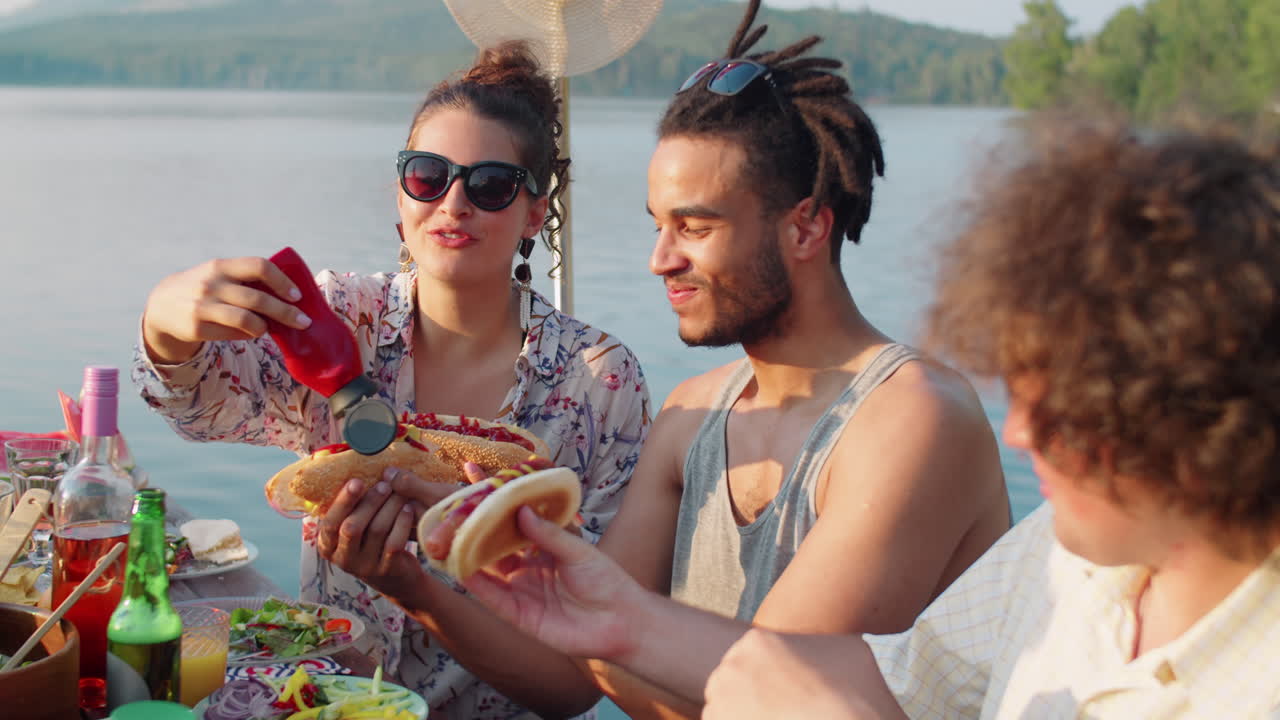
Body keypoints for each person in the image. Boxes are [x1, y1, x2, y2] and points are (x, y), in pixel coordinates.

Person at [388, 1, 1008, 717]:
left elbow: (765, 697)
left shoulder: (910, 421)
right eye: (659, 225)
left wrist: (606, 632)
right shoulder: (691, 416)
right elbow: (578, 672)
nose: (660, 259)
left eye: (696, 226)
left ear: (806, 225)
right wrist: (441, 573)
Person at [131, 43, 650, 720]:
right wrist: (166, 318)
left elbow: (578, 685)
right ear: (400, 195)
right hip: (325, 704)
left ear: (533, 212)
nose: (453, 203)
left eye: (490, 184)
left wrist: (419, 590)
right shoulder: (344, 317)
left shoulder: (597, 384)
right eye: (428, 175)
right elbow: (201, 408)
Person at [697, 122, 1280, 718]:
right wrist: (627, 623)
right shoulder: (1058, 549)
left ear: (1206, 419)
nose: (1018, 433)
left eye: (1064, 411)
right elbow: (908, 680)